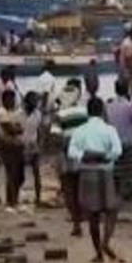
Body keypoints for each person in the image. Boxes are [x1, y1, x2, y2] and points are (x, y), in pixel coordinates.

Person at [66, 97, 123, 263]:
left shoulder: (80, 130)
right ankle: (106, 242)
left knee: (93, 215)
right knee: (111, 209)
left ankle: (98, 252)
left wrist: (85, 156)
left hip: (87, 172)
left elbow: (71, 152)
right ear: (102, 111)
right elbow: (118, 150)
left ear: (87, 112)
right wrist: (105, 156)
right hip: (105, 171)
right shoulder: (109, 129)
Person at [106, 78, 132, 221]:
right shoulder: (129, 106)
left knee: (116, 179)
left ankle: (113, 212)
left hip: (113, 146)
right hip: (129, 147)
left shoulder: (109, 106)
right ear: (127, 90)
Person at [54, 79, 88, 237]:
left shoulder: (59, 115)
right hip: (82, 156)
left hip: (66, 156)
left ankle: (76, 223)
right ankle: (83, 218)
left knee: (69, 191)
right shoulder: (84, 112)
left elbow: (55, 138)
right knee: (81, 189)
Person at [0, 89, 26, 208]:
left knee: (19, 175)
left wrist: (17, 128)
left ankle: (14, 199)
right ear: (4, 100)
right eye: (9, 99)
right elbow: (11, 129)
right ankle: (11, 201)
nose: (12, 101)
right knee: (11, 173)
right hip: (7, 146)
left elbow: (19, 128)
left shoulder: (15, 112)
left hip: (17, 146)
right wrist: (16, 128)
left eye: (13, 99)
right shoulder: (1, 113)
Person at [21, 91, 44, 206]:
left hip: (33, 144)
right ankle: (16, 196)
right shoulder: (20, 114)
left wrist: (40, 144)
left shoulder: (38, 114)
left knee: (36, 172)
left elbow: (40, 130)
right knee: (19, 173)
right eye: (34, 100)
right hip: (21, 145)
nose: (36, 103)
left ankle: (38, 197)